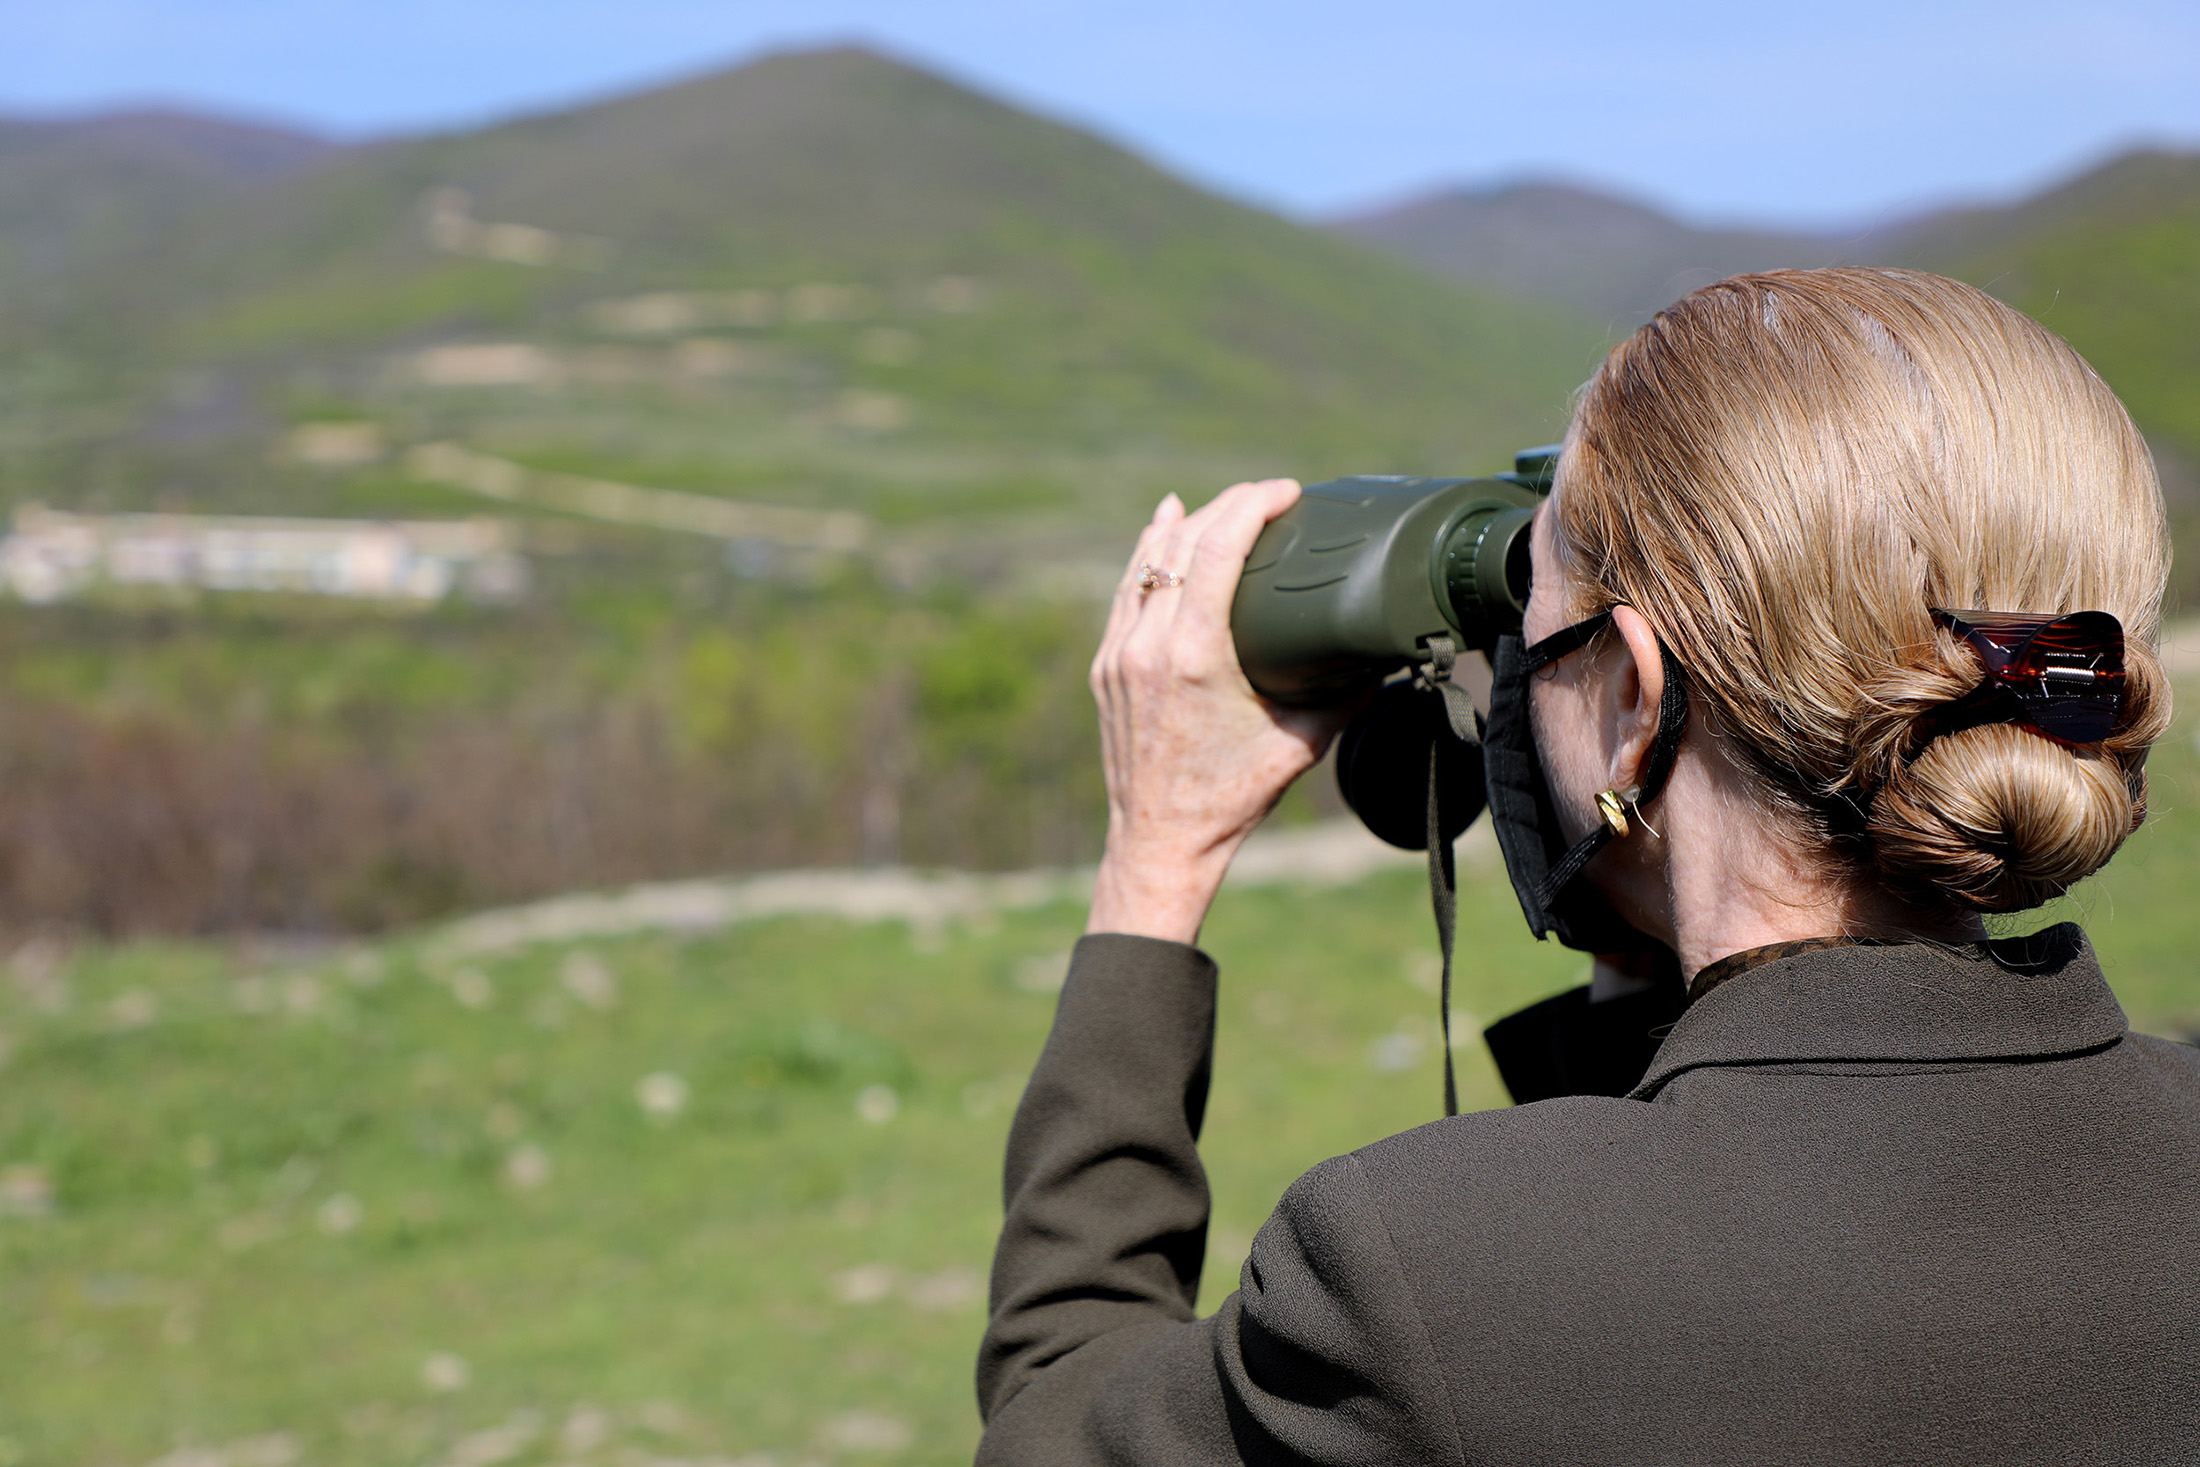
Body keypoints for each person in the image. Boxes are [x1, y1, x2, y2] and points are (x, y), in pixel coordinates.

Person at [975, 268, 2200, 1464]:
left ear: (1630, 696)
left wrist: (1157, 854)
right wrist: (1646, 902)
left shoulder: (1430, 1274)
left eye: (1537, 596)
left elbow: (1050, 1412)